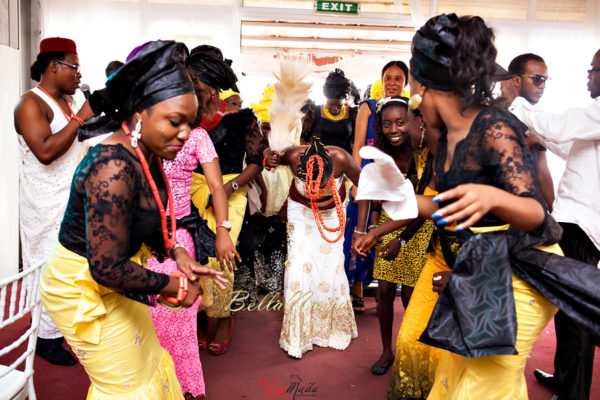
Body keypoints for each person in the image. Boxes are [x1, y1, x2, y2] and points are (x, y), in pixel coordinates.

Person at [39, 40, 227, 399]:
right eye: (175, 121)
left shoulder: (147, 151)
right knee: (127, 385)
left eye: (190, 123)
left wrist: (177, 254)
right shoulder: (112, 166)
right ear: (140, 115)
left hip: (109, 272)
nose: (186, 134)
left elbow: (154, 217)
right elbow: (106, 266)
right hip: (79, 286)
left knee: (152, 359)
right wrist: (175, 287)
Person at [405, 14, 578, 399]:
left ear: (426, 86)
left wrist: (494, 197)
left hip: (526, 274)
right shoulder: (448, 138)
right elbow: (450, 206)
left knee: (482, 388)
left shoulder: (494, 126)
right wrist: (398, 197)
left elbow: (535, 213)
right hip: (487, 269)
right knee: (452, 378)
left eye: (415, 90)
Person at [509, 48, 600, 400]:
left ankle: (573, 392)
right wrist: (541, 140)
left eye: (593, 70)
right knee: (566, 308)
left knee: (575, 315)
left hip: (582, 223)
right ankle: (564, 378)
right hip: (575, 220)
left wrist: (518, 104)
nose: (588, 76)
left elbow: (561, 126)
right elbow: (571, 146)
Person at [146, 55, 239, 398]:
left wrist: (224, 231)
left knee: (181, 317)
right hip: (146, 236)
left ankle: (185, 388)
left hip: (181, 234)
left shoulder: (198, 137)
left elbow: (217, 186)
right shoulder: (150, 128)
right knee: (146, 318)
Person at [14, 37, 96, 366]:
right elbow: (46, 151)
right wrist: (81, 118)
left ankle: (61, 330)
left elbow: (75, 141)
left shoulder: (64, 102)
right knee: (47, 270)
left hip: (69, 202)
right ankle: (45, 340)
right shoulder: (30, 104)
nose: (79, 75)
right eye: (74, 67)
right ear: (53, 66)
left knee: (68, 269)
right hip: (43, 205)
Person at [188, 45, 264, 356]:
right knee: (192, 252)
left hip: (232, 188)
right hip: (192, 188)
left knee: (222, 255)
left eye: (195, 80)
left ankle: (222, 318)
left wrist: (230, 186)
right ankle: (203, 315)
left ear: (210, 85)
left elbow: (256, 162)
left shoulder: (242, 118)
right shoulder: (186, 116)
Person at [352, 97, 435, 376]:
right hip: (388, 224)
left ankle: (412, 351)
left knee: (412, 295)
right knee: (384, 292)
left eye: (401, 122)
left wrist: (395, 238)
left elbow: (422, 210)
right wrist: (362, 231)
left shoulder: (425, 154)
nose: (394, 129)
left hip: (420, 227)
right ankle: (387, 351)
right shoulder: (378, 153)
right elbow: (367, 189)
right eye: (387, 124)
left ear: (412, 122)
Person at [265, 138, 361, 359]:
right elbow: (267, 155)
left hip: (333, 212)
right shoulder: (292, 156)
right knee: (298, 264)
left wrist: (362, 230)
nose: (315, 189)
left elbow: (366, 189)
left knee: (331, 265)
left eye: (321, 183)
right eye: (310, 183)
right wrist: (268, 155)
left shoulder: (341, 158)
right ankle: (299, 335)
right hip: (301, 211)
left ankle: (330, 328)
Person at [345, 61, 409, 313]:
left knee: (388, 230)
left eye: (398, 78)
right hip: (367, 173)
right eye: (388, 78)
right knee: (359, 231)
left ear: (405, 83)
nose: (392, 83)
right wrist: (355, 182)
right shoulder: (368, 107)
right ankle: (357, 287)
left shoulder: (410, 109)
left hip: (396, 175)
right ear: (381, 82)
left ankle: (385, 285)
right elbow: (359, 146)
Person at [501, 53, 555, 210]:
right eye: (538, 79)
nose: (543, 86)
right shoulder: (492, 113)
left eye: (545, 80)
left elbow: (542, 171)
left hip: (529, 211)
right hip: (497, 212)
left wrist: (555, 216)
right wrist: (531, 140)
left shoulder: (534, 119)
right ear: (516, 80)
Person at [301, 68, 358, 153]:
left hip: (344, 162)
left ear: (344, 101)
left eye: (339, 105)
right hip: (318, 162)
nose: (335, 109)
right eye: (330, 104)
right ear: (325, 99)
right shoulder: (313, 112)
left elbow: (357, 143)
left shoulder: (353, 114)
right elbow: (303, 140)